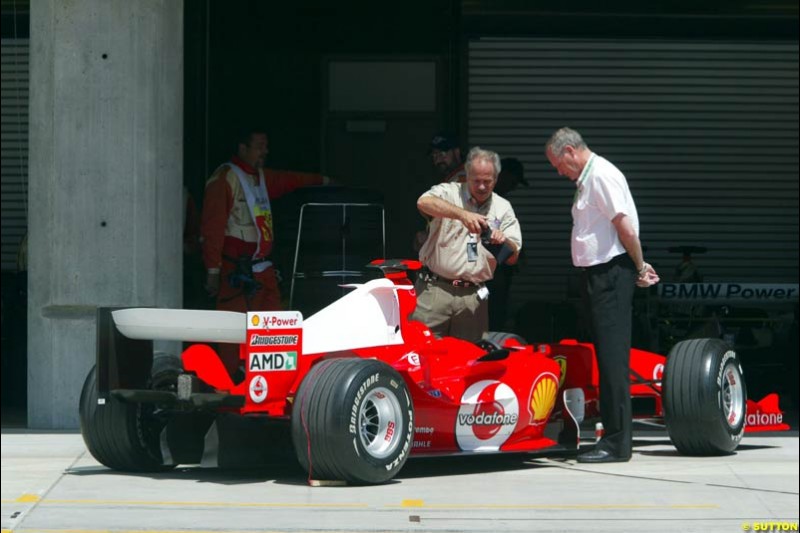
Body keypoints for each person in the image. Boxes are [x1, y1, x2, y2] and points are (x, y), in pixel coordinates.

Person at [544, 127, 659, 464]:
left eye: (557, 164)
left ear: (569, 151)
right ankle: (613, 437)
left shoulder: (602, 176)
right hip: (600, 275)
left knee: (612, 361)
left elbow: (625, 227)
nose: (558, 171)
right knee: (606, 358)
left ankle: (617, 442)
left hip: (610, 274)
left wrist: (640, 267)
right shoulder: (590, 179)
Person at [201, 126, 328, 373]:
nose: (265, 152)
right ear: (243, 148)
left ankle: (272, 380)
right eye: (260, 146)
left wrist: (324, 180)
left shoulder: (260, 176)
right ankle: (228, 389)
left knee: (277, 330)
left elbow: (291, 179)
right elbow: (212, 228)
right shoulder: (224, 179)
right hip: (235, 273)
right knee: (232, 332)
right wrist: (213, 271)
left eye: (266, 146)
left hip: (262, 270)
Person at [411, 147, 522, 342]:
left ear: (496, 178)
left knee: (470, 359)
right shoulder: (449, 192)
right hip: (435, 288)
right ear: (467, 176)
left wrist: (502, 242)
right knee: (421, 353)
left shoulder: (503, 207)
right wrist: (462, 214)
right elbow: (423, 202)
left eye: (487, 182)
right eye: (476, 181)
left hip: (473, 297)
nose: (481, 187)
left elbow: (513, 257)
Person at [487, 157, 528, 331]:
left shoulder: (502, 202)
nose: (514, 187)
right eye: (513, 181)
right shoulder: (485, 200)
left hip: (501, 269)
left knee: (498, 312)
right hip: (490, 271)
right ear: (502, 176)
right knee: (492, 314)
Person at [414, 133, 468, 253]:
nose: (438, 159)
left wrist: (430, 239)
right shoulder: (451, 177)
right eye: (435, 154)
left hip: (461, 252)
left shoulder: (463, 178)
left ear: (456, 152)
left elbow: (459, 222)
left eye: (443, 153)